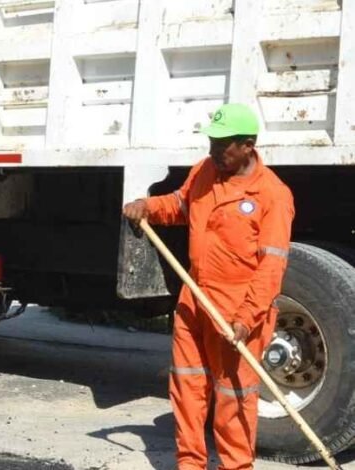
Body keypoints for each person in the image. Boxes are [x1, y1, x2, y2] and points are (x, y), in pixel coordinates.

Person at [123, 103, 295, 470]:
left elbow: (271, 268)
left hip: (238, 309)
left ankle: (235, 466)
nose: (214, 151)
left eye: (224, 145)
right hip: (194, 297)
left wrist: (247, 318)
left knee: (233, 396)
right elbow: (180, 206)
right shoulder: (204, 171)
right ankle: (190, 463)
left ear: (248, 145)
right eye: (212, 142)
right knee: (187, 386)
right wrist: (147, 206)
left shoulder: (273, 196)